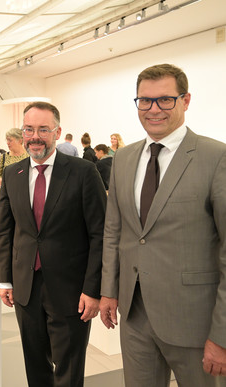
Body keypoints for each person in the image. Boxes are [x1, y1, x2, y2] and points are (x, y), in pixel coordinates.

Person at [99, 63, 226, 386]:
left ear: (185, 101)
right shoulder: (124, 159)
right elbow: (115, 230)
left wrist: (222, 333)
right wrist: (109, 291)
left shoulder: (215, 157)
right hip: (134, 315)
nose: (153, 109)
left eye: (165, 100)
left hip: (194, 321)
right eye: (145, 100)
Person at [0, 101, 106, 387]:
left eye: (43, 129)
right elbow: (6, 232)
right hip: (26, 289)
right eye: (29, 129)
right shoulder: (12, 174)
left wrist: (93, 289)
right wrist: (5, 280)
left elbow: (100, 234)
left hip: (71, 292)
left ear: (57, 132)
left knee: (68, 371)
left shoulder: (83, 172)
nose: (35, 136)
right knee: (35, 367)